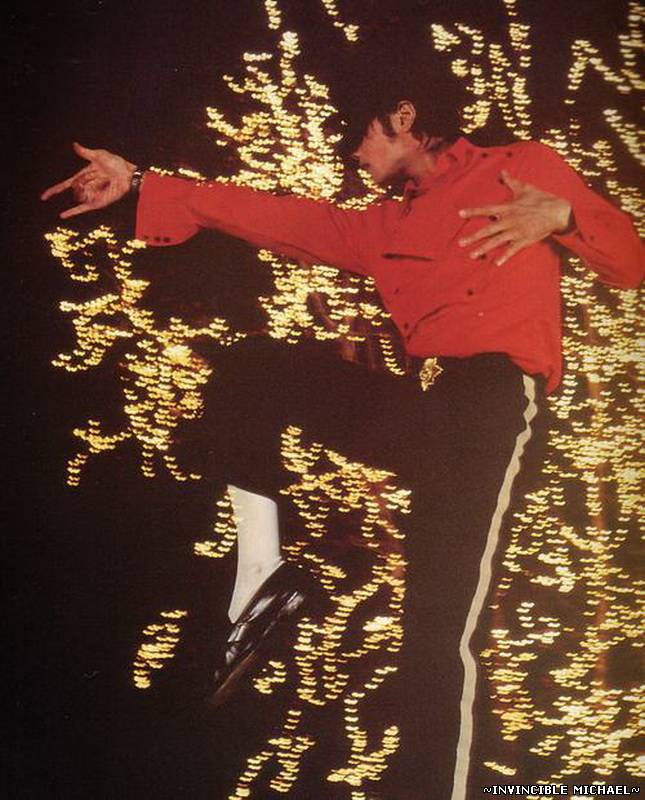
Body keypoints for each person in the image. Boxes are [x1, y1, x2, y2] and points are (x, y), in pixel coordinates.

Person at [42, 83, 642, 798]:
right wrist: (143, 182)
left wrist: (564, 215)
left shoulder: (521, 165)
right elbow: (280, 218)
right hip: (427, 408)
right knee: (253, 370)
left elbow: (630, 263)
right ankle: (261, 573)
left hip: (491, 410)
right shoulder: (385, 225)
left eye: (359, 136)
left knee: (434, 634)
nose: (352, 154)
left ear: (404, 117)